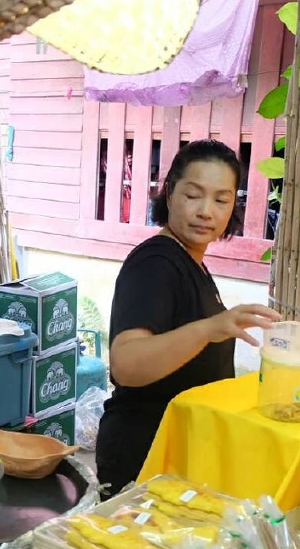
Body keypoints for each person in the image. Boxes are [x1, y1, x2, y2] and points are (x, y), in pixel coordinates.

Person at [96, 140, 281, 494]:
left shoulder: (191, 262)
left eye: (221, 200)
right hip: (144, 459)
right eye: (193, 195)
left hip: (179, 456)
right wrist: (209, 328)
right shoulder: (155, 264)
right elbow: (127, 364)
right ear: (169, 194)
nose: (206, 211)